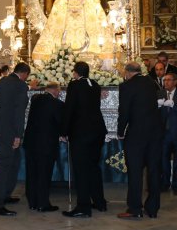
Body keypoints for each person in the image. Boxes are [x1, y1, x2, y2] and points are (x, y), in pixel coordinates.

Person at [61, 61, 108, 218]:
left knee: (81, 170)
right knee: (93, 167)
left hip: (81, 133)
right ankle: (100, 202)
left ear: (75, 73)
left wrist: (64, 131)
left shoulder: (74, 85)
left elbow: (69, 109)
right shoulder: (94, 85)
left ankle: (83, 207)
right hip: (98, 132)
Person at [117, 62, 161, 219]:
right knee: (153, 170)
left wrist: (120, 131)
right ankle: (153, 207)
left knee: (135, 171)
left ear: (128, 72)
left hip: (137, 134)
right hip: (155, 133)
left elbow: (124, 111)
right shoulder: (151, 82)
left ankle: (135, 209)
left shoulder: (126, 86)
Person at [0, 62, 33, 216]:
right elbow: (19, 113)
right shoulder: (21, 86)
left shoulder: (3, 81)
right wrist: (17, 135)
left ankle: (5, 195)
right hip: (10, 130)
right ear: (25, 74)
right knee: (5, 166)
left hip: (0, 128)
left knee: (14, 162)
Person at [23, 82, 63, 212]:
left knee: (32, 172)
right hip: (46, 144)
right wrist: (64, 134)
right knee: (44, 174)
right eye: (59, 91)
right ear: (56, 91)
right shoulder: (57, 104)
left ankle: (32, 202)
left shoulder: (36, 99)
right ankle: (43, 203)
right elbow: (61, 123)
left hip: (31, 143)